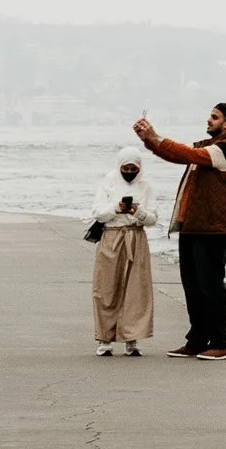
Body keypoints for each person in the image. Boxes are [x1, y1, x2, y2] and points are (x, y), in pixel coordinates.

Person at [131, 101, 226, 360]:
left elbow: (184, 153)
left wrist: (154, 136)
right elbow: (176, 155)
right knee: (193, 288)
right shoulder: (208, 147)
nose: (209, 120)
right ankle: (197, 340)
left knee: (210, 287)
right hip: (192, 227)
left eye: (214, 117)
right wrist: (148, 140)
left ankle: (220, 343)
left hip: (214, 230)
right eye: (210, 116)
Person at [89, 144, 157, 355]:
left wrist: (138, 212)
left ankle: (132, 339)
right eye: (125, 168)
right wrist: (116, 208)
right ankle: (104, 339)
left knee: (136, 290)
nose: (129, 172)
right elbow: (98, 213)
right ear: (119, 167)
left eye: (133, 169)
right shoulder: (108, 183)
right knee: (106, 288)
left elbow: (153, 218)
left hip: (136, 237)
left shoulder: (145, 186)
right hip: (111, 236)